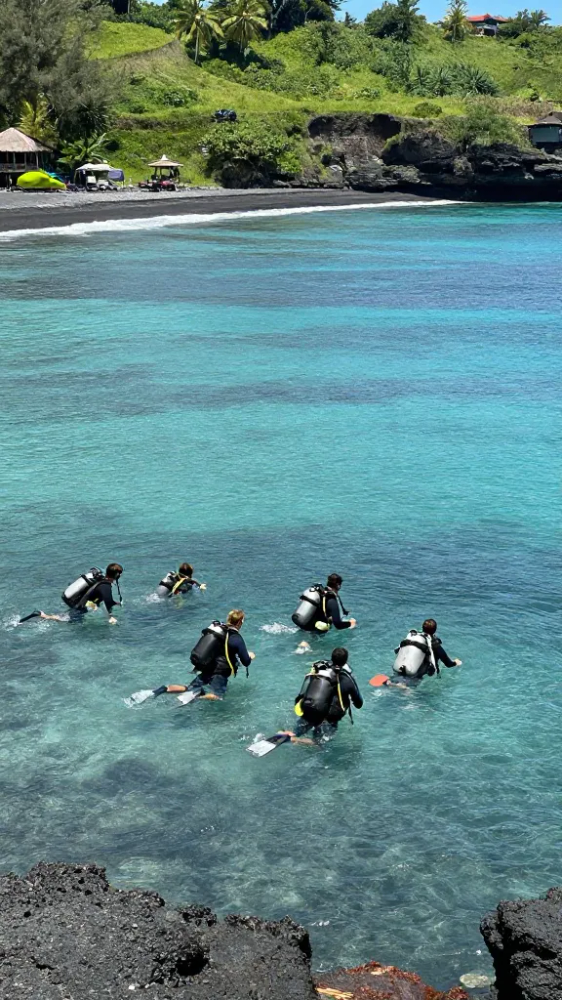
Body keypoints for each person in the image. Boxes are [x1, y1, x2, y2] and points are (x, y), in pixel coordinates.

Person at [127, 609, 255, 706]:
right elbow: (246, 662)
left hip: (207, 667)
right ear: (239, 622)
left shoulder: (220, 631)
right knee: (217, 696)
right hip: (219, 673)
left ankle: (161, 689)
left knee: (188, 688)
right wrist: (250, 656)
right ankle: (197, 696)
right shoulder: (236, 638)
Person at [287, 647, 363, 742]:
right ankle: (297, 740)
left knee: (299, 730)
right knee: (318, 743)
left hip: (310, 708)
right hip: (328, 719)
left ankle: (289, 735)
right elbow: (359, 704)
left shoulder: (321, 669)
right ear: (345, 661)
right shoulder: (348, 679)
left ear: (332, 658)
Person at [40, 563, 124, 625]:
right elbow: (108, 601)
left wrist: (114, 603)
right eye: (119, 574)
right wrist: (111, 617)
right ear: (116, 575)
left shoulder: (102, 579)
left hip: (83, 601)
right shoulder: (105, 586)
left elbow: (104, 600)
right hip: (82, 604)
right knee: (67, 619)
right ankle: (44, 616)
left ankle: (49, 616)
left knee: (77, 617)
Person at [389, 618, 462, 686]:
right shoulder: (433, 643)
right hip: (416, 674)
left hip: (401, 668)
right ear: (435, 630)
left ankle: (392, 683)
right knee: (411, 685)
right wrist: (456, 662)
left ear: (422, 628)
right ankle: (405, 688)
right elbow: (447, 663)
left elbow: (397, 651)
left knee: (398, 679)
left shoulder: (413, 637)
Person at [292, 573, 356, 633]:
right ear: (338, 585)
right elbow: (338, 625)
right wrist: (350, 623)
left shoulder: (321, 594)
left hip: (303, 625)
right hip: (313, 632)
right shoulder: (331, 600)